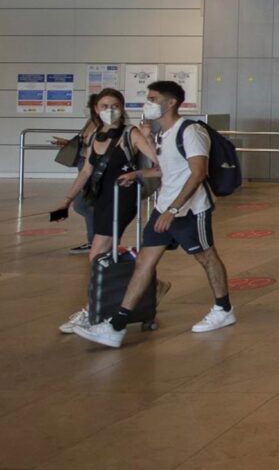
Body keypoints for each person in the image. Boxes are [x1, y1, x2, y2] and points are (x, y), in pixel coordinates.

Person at [73, 81, 235, 348]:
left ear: (171, 103)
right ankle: (116, 325)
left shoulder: (190, 131)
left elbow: (198, 173)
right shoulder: (163, 133)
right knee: (144, 262)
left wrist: (174, 209)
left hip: (190, 210)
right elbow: (165, 169)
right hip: (164, 208)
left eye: (153, 99)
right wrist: (138, 173)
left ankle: (223, 309)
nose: (148, 103)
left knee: (206, 257)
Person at [53, 89, 159, 333]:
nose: (109, 110)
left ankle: (93, 310)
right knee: (102, 254)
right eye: (104, 106)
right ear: (96, 109)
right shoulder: (95, 135)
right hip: (101, 199)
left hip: (122, 198)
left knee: (97, 254)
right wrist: (67, 200)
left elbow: (158, 162)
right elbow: (86, 171)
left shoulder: (130, 133)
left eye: (115, 105)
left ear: (122, 108)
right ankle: (142, 290)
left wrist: (147, 143)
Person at [51, 94, 100, 254]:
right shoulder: (91, 122)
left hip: (91, 167)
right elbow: (84, 144)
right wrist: (67, 143)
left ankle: (96, 241)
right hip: (83, 163)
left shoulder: (102, 125)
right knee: (83, 204)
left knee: (82, 204)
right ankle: (95, 240)